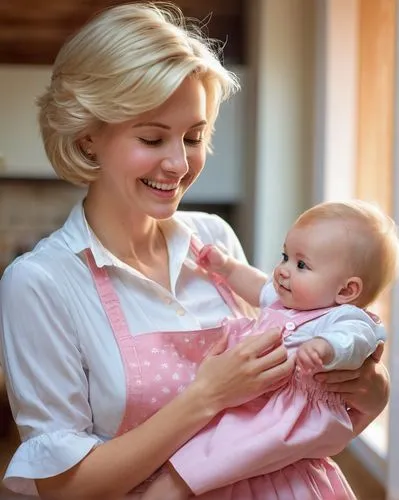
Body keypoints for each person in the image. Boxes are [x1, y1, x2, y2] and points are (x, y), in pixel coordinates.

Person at [0, 3, 390, 500]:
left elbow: (281, 432)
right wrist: (208, 396)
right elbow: (64, 488)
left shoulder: (214, 240)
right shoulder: (42, 283)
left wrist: (371, 396)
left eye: (194, 136)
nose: (179, 164)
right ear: (88, 138)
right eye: (152, 137)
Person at [141, 200, 398, 499]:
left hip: (284, 412)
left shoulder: (343, 318)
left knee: (209, 457)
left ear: (346, 291)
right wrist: (226, 267)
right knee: (211, 448)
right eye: (285, 256)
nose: (283, 270)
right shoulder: (283, 300)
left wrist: (326, 348)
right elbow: (255, 285)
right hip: (256, 400)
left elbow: (355, 340)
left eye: (301, 265)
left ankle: (174, 485)